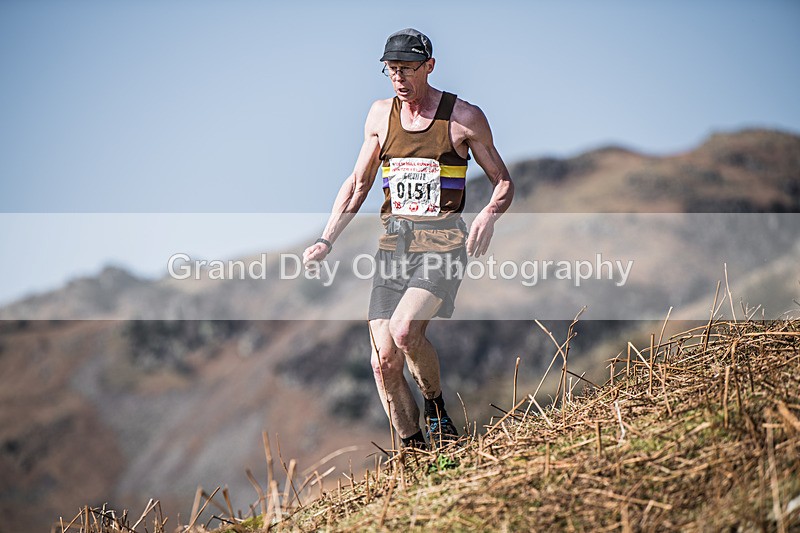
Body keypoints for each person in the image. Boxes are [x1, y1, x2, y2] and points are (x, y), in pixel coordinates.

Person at [303, 28, 513, 449]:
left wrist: (489, 213)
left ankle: (437, 411)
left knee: (404, 332)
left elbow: (503, 181)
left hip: (443, 244)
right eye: (391, 70)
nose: (398, 78)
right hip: (393, 247)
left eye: (406, 69)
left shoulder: (463, 117)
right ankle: (415, 457)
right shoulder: (380, 115)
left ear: (429, 67)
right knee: (382, 361)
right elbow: (358, 184)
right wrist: (327, 239)